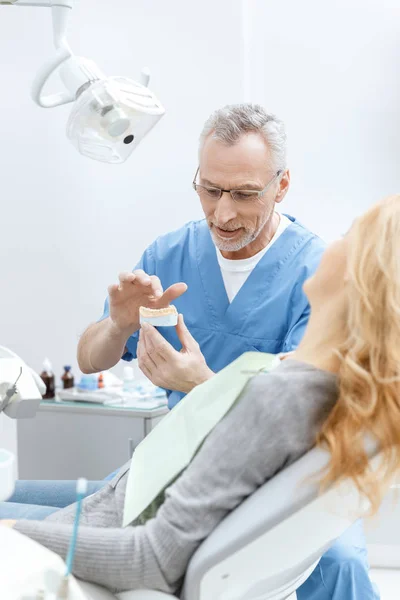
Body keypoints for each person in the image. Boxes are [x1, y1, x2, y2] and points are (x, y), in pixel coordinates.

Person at [1, 104, 373, 599]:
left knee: (339, 561)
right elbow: (91, 358)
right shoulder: (170, 254)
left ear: (281, 185)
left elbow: (284, 425)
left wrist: (200, 384)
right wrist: (118, 323)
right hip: (169, 464)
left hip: (233, 485)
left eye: (244, 194)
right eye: (210, 189)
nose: (223, 213)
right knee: (15, 497)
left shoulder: (316, 278)